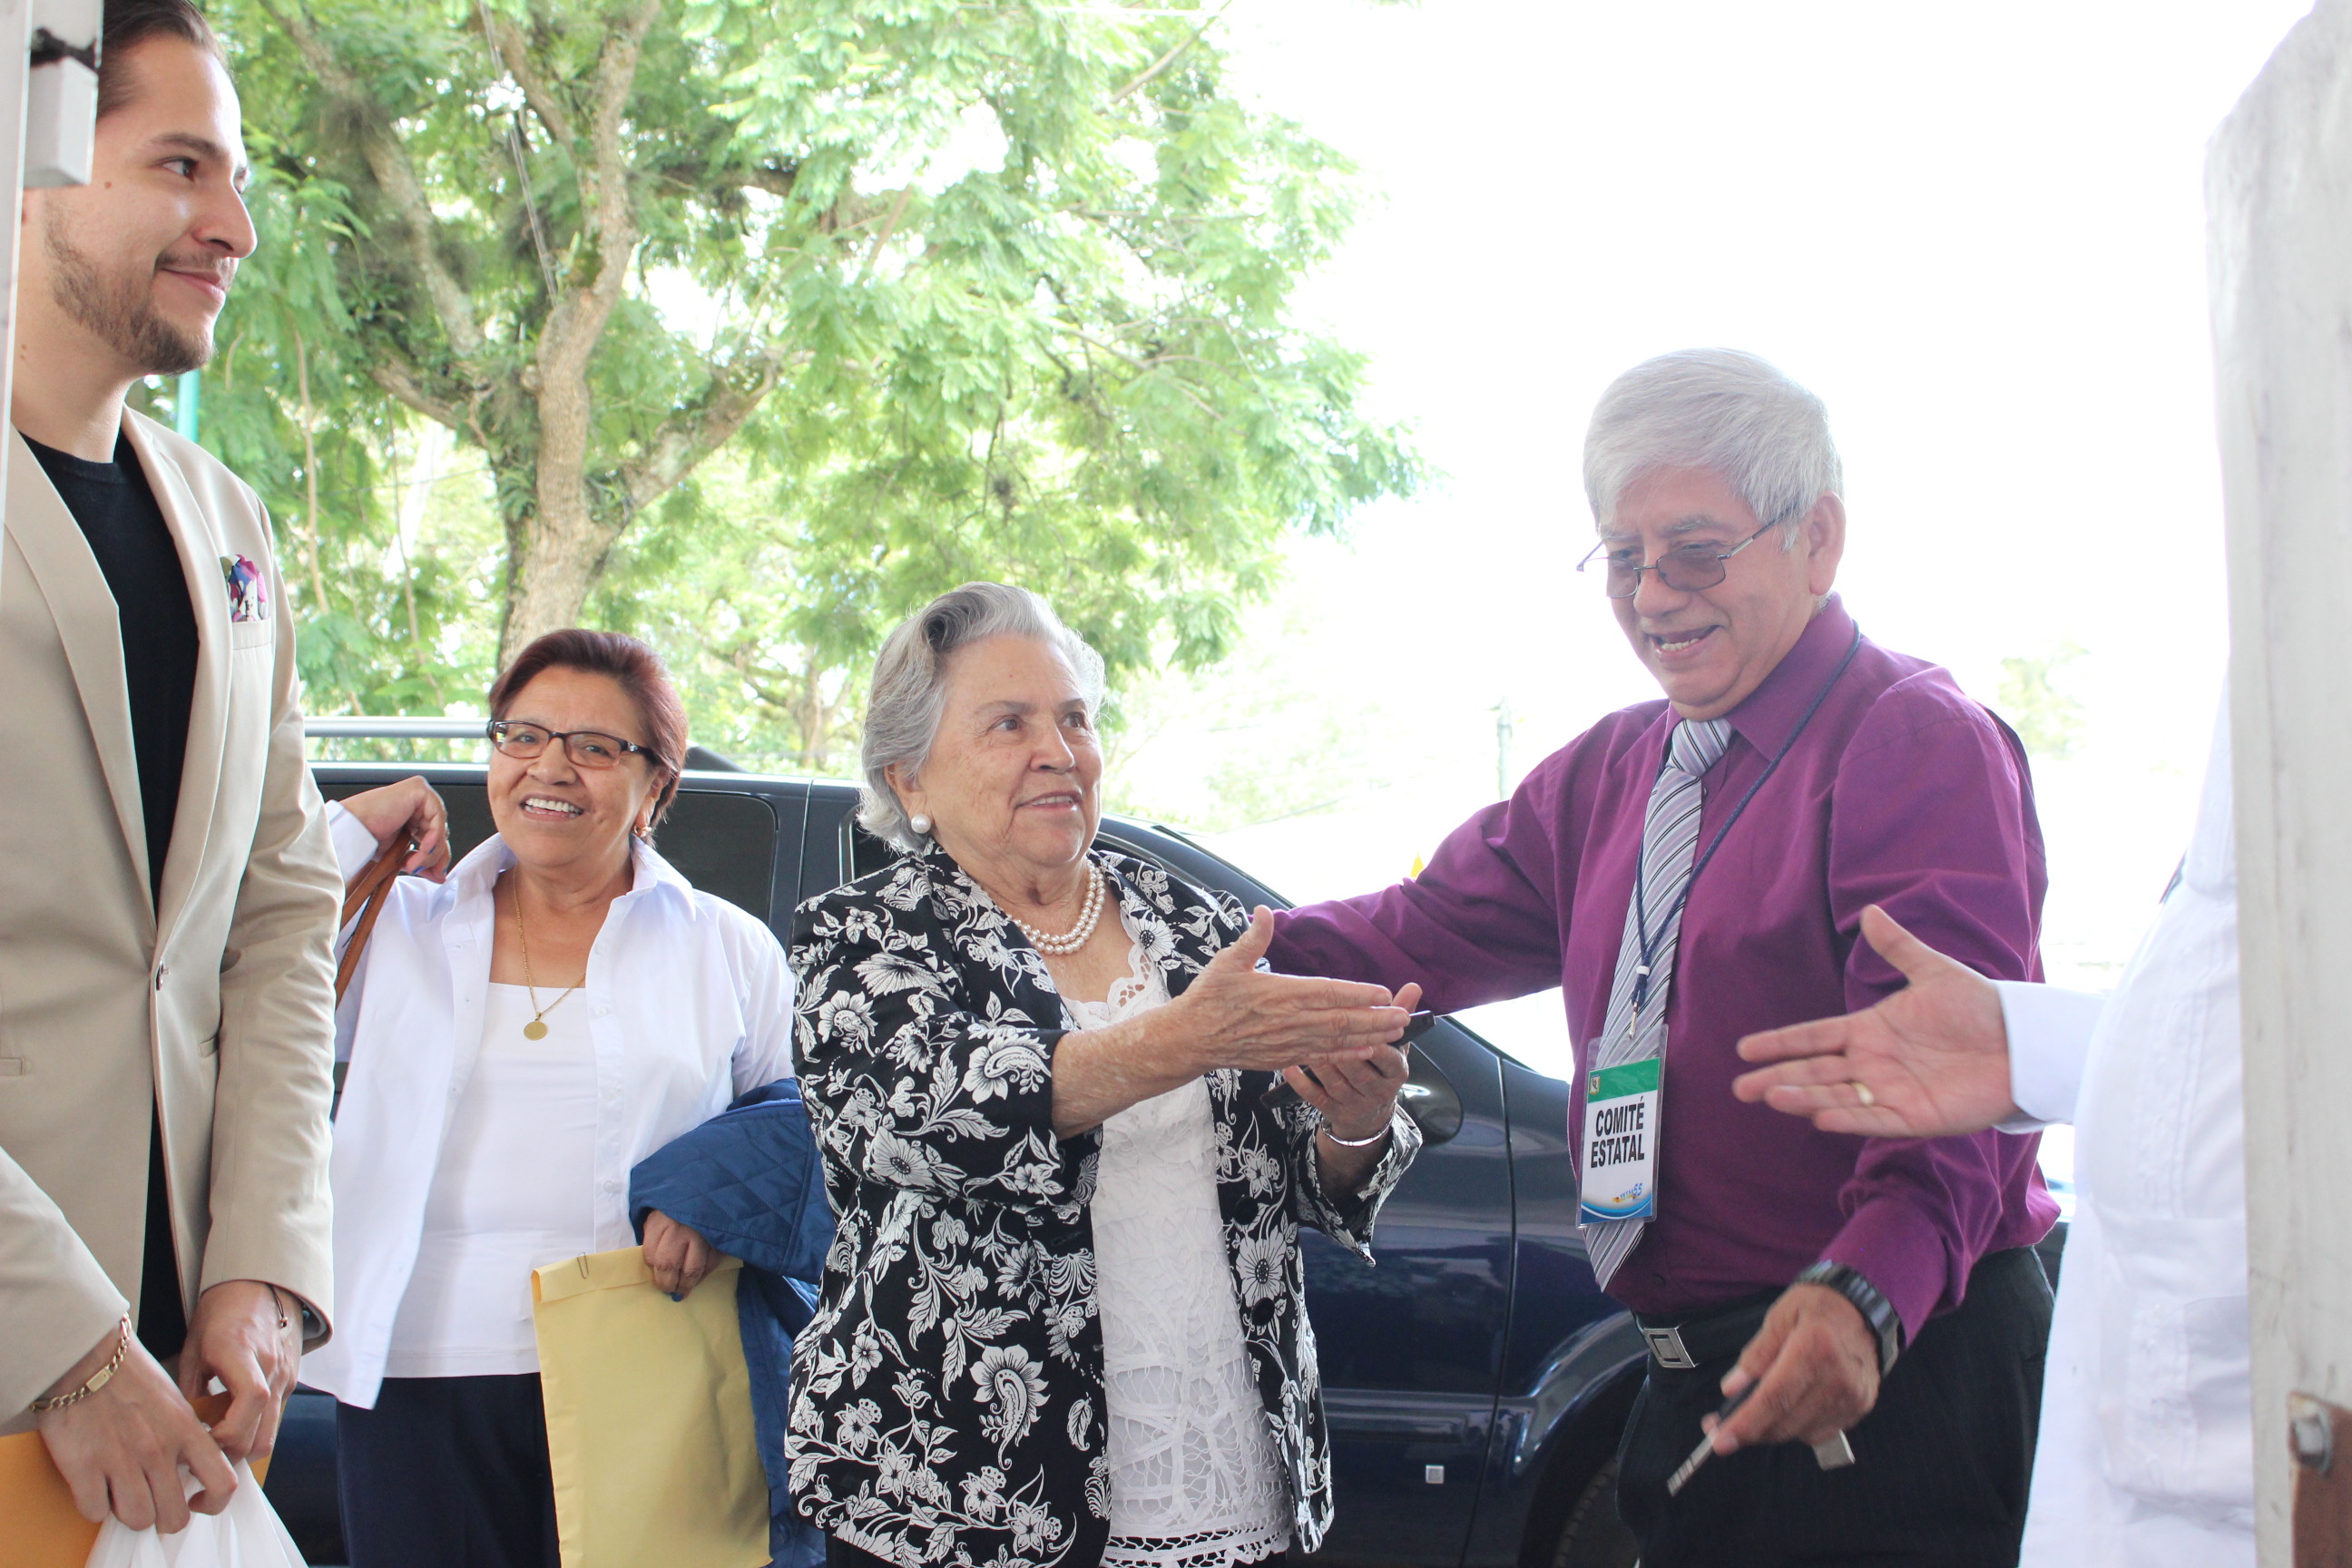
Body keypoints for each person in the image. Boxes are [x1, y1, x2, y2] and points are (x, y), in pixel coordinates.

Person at [1265, 349, 2061, 1567]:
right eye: (1622, 557)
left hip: (1885, 1375)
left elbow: (1952, 1076)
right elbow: (1404, 938)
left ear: (1818, 539)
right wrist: (1147, 939)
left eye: (1694, 552)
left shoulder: (1907, 738)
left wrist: (1868, 1294)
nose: (1652, 595)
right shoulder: (1610, 772)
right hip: (1688, 1377)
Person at [785, 583, 1423, 1568]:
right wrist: (1183, 1040)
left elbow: (1301, 1174)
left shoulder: (1194, 919)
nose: (1058, 750)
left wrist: (1357, 1120)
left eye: (1074, 719)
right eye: (1009, 723)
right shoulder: (860, 937)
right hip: (965, 1495)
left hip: (1224, 1462)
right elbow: (941, 1115)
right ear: (909, 779)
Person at [1, 0, 344, 1534]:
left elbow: (279, 912)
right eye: (182, 166)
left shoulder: (228, 525)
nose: (236, 230)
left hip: (185, 1401)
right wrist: (59, 1344)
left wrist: (261, 1258)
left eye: (240, 180)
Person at [299, 630, 795, 1568]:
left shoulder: (723, 945)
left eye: (595, 747)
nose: (550, 768)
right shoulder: (400, 923)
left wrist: (711, 1201)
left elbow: (799, 1119)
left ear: (655, 787)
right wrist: (358, 823)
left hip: (651, 1368)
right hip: (419, 1371)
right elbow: (235, 949)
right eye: (522, 736)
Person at [1733, 697, 2249, 1568]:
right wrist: (2032, 1046)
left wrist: (1871, 1283)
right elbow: (2229, 1045)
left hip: (2236, 1470)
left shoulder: (1911, 732)